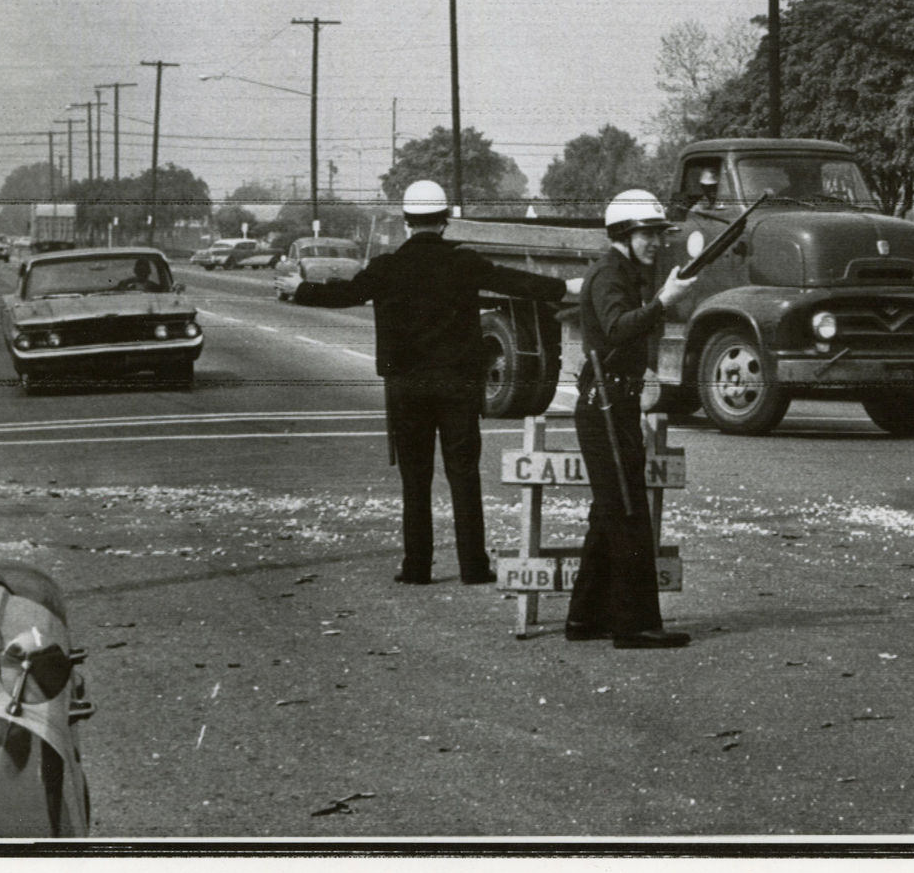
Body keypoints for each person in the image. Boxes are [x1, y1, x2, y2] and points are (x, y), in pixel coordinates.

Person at [295, 180, 574, 586]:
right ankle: (474, 566)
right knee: (464, 474)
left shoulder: (387, 267)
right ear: (444, 222)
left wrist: (300, 289)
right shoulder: (463, 262)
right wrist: (566, 288)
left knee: (415, 477)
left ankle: (417, 567)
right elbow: (515, 281)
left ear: (407, 223)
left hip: (406, 387)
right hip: (458, 384)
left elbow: (346, 294)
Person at [565, 189, 697, 649]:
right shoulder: (609, 275)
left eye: (660, 233)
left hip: (614, 403)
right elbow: (619, 327)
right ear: (624, 232)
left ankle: (584, 618)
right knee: (628, 514)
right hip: (604, 407)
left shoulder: (621, 273)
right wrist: (664, 302)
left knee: (609, 513)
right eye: (649, 233)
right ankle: (634, 625)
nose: (657, 242)